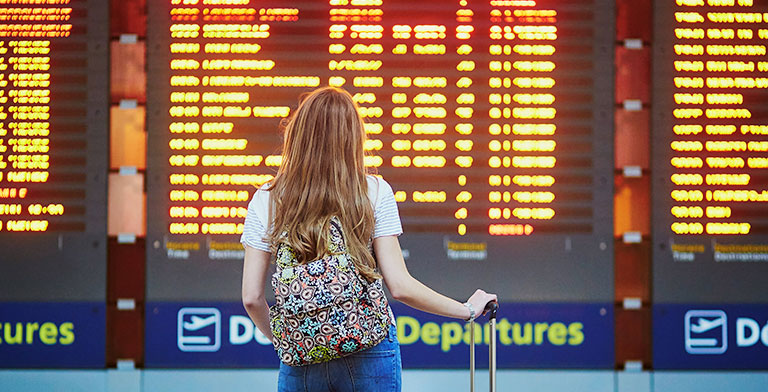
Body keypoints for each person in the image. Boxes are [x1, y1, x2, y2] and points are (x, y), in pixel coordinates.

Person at [241, 86, 497, 392]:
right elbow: (400, 287)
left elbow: (252, 298)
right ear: (353, 137)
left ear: (297, 134)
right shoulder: (374, 191)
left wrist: (297, 338)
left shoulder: (266, 198)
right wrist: (467, 309)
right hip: (369, 348)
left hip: (301, 358)